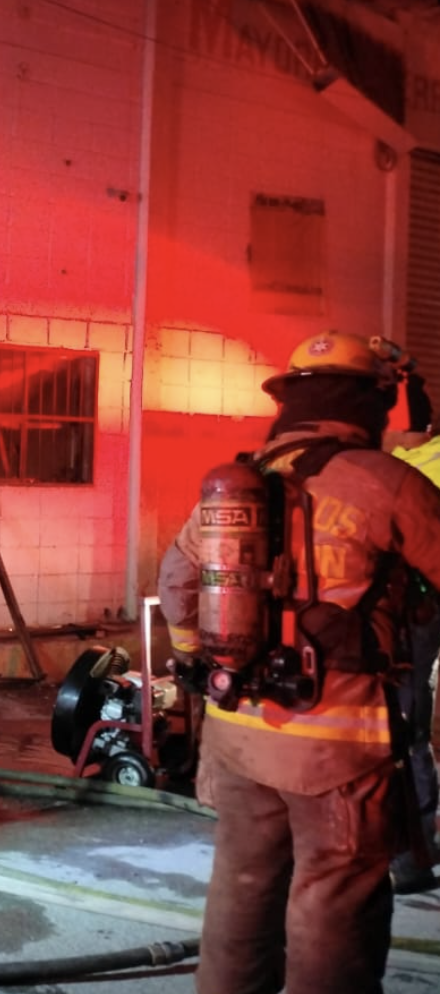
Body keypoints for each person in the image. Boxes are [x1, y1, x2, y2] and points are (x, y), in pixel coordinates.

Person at [157, 329, 440, 994]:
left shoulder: (239, 484)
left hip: (237, 736)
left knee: (243, 887)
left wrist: (204, 663)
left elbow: (176, 583)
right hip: (336, 744)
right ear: (372, 401)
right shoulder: (384, 482)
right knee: (332, 901)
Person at [387, 384, 440, 895]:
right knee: (413, 726)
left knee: (399, 729)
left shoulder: (408, 470)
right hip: (420, 614)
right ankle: (419, 842)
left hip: (404, 613)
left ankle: (410, 854)